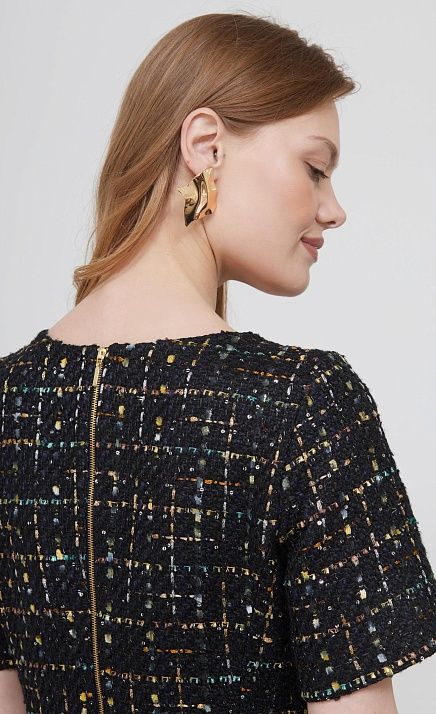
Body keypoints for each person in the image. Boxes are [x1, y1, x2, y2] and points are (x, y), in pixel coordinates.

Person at [1, 11, 435, 714]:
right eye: (315, 168)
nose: (334, 210)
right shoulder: (305, 405)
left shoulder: (11, 401)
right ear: (206, 146)